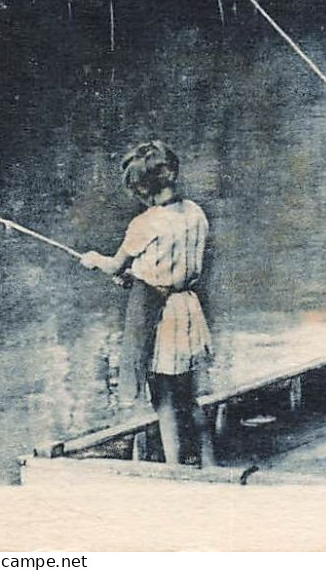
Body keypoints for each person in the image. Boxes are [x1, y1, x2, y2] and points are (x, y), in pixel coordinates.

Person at [81, 140, 217, 467]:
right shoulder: (196, 213)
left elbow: (116, 265)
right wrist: (140, 274)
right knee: (191, 397)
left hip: (161, 317)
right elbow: (174, 266)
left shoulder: (146, 223)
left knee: (165, 400)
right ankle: (212, 464)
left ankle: (173, 471)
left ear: (142, 187)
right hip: (187, 306)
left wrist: (94, 259)